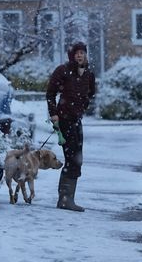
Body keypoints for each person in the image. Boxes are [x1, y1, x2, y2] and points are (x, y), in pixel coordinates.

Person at [46, 41, 96, 212]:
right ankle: (65, 199)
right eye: (77, 53)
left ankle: (67, 198)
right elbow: (50, 94)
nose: (80, 55)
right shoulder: (63, 70)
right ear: (71, 55)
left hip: (76, 120)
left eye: (82, 52)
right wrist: (54, 115)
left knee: (78, 158)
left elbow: (91, 93)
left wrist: (81, 107)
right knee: (72, 158)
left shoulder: (88, 74)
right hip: (64, 120)